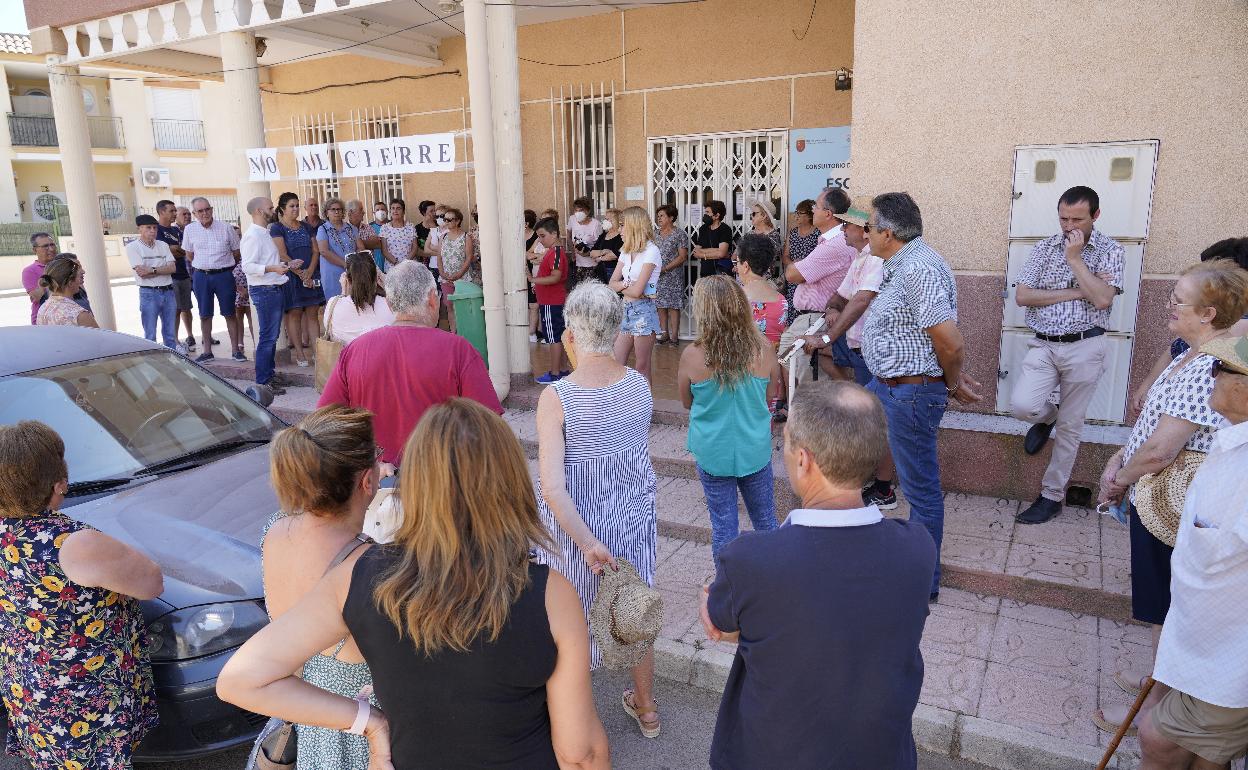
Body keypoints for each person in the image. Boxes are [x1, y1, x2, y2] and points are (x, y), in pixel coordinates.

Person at [218, 399, 611, 770]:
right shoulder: (551, 595)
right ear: (510, 481)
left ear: (416, 482)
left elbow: (242, 679)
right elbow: (580, 754)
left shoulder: (359, 576)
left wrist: (369, 721)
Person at [700, 382, 936, 770]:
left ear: (804, 461)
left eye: (785, 443)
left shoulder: (750, 560)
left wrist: (733, 622)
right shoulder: (918, 549)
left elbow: (720, 621)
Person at [1092, 260, 1248, 733]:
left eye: (1178, 300)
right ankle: (1155, 683)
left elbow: (1162, 450)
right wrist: (1121, 455)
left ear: (1208, 313)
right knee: (1163, 601)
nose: (1169, 305)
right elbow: (1151, 427)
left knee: (1166, 605)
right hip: (1159, 494)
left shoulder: (1206, 367)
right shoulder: (1191, 353)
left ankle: (1153, 709)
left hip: (1170, 503)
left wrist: (1118, 480)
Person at [0, 421, 164, 770]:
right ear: (58, 483)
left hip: (27, 682)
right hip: (81, 694)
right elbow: (152, 583)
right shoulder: (72, 543)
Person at [535, 281, 660, 737]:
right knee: (635, 607)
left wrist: (588, 543)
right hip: (631, 520)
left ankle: (579, 726)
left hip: (578, 530)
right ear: (617, 328)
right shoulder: (639, 387)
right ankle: (646, 708)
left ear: (570, 334)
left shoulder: (558, 398)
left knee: (571, 623)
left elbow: (553, 487)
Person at [862, 192, 983, 602]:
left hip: (910, 392)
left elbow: (950, 342)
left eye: (869, 226)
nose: (865, 233)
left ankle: (922, 583)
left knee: (921, 491)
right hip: (890, 386)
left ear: (888, 233)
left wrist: (950, 381)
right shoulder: (903, 264)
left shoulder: (919, 269)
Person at [1138, 335, 1248, 770]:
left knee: (1160, 741)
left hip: (1229, 660)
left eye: (1221, 368)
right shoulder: (1231, 440)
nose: (1212, 376)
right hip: (1202, 650)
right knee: (1195, 756)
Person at [260, 406, 380, 770]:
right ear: (367, 481)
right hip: (360, 731)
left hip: (304, 714)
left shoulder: (275, 529)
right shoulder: (368, 565)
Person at [1011, 186, 1125, 524]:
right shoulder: (1045, 247)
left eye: (1077, 219)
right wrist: (1079, 290)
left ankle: (1051, 496)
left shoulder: (1111, 250)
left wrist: (1075, 259)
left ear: (1095, 215)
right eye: (1063, 218)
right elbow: (1023, 296)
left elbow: (1102, 299)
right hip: (1044, 344)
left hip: (1086, 345)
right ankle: (1048, 417)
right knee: (1023, 405)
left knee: (1071, 427)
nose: (1069, 226)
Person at [318, 261, 502, 466]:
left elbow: (325, 423)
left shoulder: (355, 351)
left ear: (390, 304)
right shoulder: (458, 350)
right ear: (432, 299)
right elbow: (489, 428)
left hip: (378, 477)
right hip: (441, 475)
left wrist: (368, 464)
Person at [797, 196, 898, 509]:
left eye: (848, 225)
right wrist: (831, 309)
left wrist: (827, 336)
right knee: (862, 408)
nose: (842, 230)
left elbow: (861, 300)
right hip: (856, 345)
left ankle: (884, 489)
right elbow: (841, 297)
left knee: (877, 420)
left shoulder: (876, 260)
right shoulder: (859, 257)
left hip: (871, 350)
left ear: (864, 231)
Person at [678, 275, 780, 559]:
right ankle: (776, 576)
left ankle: (728, 583)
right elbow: (770, 396)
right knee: (766, 520)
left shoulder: (692, 355)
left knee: (723, 526)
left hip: (713, 450)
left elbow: (687, 402)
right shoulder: (763, 348)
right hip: (754, 447)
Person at [1129, 237, 1248, 417]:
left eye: (1212, 270)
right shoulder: (1199, 325)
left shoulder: (1234, 328)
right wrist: (1148, 385)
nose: (1202, 275)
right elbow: (1176, 348)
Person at [779, 187, 857, 387]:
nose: (812, 209)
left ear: (828, 214)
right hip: (814, 318)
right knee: (796, 367)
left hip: (817, 320)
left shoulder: (835, 244)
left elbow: (793, 274)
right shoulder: (831, 241)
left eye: (816, 206)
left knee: (813, 385)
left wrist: (797, 265)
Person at [241, 197, 301, 395]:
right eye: (270, 207)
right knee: (268, 337)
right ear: (259, 211)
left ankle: (269, 374)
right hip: (265, 290)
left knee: (271, 336)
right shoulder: (252, 235)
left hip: (273, 287)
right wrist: (274, 268)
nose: (273, 210)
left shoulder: (264, 232)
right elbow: (248, 266)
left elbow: (267, 262)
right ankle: (263, 381)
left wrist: (286, 265)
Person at [181, 196, 243, 362]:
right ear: (194, 213)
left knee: (230, 313)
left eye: (207, 209)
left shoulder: (226, 228)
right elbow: (189, 255)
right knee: (204, 314)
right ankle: (207, 351)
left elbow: (236, 253)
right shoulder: (189, 230)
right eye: (200, 211)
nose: (204, 213)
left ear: (212, 209)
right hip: (201, 276)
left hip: (224, 275)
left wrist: (225, 268)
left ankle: (236, 351)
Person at [609, 206, 663, 381]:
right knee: (616, 362)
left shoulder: (652, 251)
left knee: (642, 367)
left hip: (643, 312)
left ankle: (645, 400)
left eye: (622, 225)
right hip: (625, 309)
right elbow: (611, 284)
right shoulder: (626, 250)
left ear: (634, 225)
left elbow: (638, 291)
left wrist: (621, 286)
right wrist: (627, 285)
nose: (619, 230)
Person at [271, 192, 324, 368]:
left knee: (313, 314)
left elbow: (315, 250)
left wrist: (310, 272)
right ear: (282, 209)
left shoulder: (306, 226)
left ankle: (317, 354)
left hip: (310, 274)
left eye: (297, 205)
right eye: (291, 206)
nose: (295, 209)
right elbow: (282, 254)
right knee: (294, 313)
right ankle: (300, 354)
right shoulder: (277, 228)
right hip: (291, 277)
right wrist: (301, 274)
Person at [126, 213, 180, 351]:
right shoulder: (133, 247)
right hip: (149, 293)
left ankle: (171, 358)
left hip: (168, 292)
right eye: (148, 227)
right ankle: (152, 361)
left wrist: (152, 269)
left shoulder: (163, 245)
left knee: (170, 334)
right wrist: (162, 268)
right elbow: (142, 273)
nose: (152, 231)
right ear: (139, 229)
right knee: (150, 335)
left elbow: (173, 268)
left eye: (155, 228)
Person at [529, 217, 571, 384]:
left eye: (542, 236)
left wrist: (533, 280)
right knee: (558, 337)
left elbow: (555, 277)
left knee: (553, 338)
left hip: (552, 302)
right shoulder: (553, 252)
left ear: (554, 234)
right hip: (552, 301)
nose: (540, 240)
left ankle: (555, 373)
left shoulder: (555, 253)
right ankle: (562, 370)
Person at [326, 253, 395, 345]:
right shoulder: (391, 307)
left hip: (347, 354)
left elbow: (330, 331)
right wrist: (387, 287)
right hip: (382, 354)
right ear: (376, 279)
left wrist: (343, 293)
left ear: (347, 280)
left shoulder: (333, 305)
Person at [155, 199, 196, 349]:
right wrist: (175, 250)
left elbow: (184, 250)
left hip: (184, 275)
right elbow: (166, 252)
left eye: (175, 211)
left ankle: (186, 338)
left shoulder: (176, 231)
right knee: (174, 310)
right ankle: (174, 342)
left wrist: (176, 250)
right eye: (171, 211)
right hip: (170, 277)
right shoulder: (157, 230)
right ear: (162, 212)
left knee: (186, 308)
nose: (174, 213)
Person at [735, 234, 788, 345]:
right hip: (774, 355)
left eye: (737, 262)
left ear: (746, 266)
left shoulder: (735, 298)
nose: (736, 268)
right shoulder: (782, 300)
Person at [653, 204, 690, 345]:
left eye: (662, 216)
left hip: (673, 276)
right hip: (657, 276)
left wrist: (665, 269)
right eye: (658, 216)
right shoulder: (654, 234)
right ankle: (664, 334)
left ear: (671, 218)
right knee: (660, 305)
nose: (659, 218)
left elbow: (682, 257)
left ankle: (674, 337)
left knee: (673, 306)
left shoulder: (679, 234)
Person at [438, 207, 478, 333]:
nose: (447, 222)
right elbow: (439, 257)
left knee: (463, 306)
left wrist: (459, 274)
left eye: (450, 219)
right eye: (445, 219)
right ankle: (453, 333)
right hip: (446, 279)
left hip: (462, 278)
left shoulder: (466, 237)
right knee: (449, 306)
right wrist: (442, 273)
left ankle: (464, 332)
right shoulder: (443, 237)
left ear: (458, 221)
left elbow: (469, 258)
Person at [781, 199, 820, 325]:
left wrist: (805, 266)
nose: (796, 216)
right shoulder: (792, 233)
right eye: (796, 212)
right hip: (794, 280)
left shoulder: (818, 233)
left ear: (809, 216)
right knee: (792, 314)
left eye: (800, 213)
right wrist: (795, 266)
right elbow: (785, 256)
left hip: (810, 280)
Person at [317, 197, 364, 302]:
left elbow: (361, 247)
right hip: (333, 275)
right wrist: (345, 264)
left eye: (339, 209)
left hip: (353, 272)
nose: (336, 212)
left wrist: (355, 262)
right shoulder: (323, 229)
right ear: (326, 213)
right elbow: (324, 251)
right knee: (336, 304)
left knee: (354, 303)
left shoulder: (351, 228)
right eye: (333, 209)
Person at [36, 257, 98, 328]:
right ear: (70, 283)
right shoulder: (79, 315)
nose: (83, 272)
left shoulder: (43, 309)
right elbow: (99, 335)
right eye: (79, 277)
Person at [22, 232, 60, 324]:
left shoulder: (63, 265)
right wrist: (47, 277)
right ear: (35, 250)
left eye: (52, 245)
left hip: (66, 316)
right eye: (45, 246)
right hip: (44, 320)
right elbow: (36, 297)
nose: (51, 249)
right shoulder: (29, 271)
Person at [692, 200, 733, 278]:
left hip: (721, 273)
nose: (705, 214)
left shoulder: (725, 229)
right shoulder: (703, 229)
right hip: (705, 273)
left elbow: (721, 253)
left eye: (708, 212)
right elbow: (696, 252)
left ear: (717, 215)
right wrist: (717, 250)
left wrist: (702, 254)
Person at [569, 196, 603, 286]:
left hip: (592, 264)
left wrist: (588, 253)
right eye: (576, 210)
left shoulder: (596, 224)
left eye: (581, 210)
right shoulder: (572, 220)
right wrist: (573, 252)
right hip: (578, 264)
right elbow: (569, 237)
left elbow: (600, 245)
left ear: (588, 211)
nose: (578, 213)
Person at [379, 198, 418, 268]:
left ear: (403, 211)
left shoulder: (410, 226)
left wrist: (405, 263)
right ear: (390, 211)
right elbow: (384, 250)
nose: (395, 211)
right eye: (393, 208)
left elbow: (414, 247)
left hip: (409, 266)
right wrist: (397, 263)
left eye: (398, 208)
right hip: (392, 267)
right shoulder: (385, 228)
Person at [589, 208, 623, 286]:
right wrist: (604, 251)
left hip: (615, 272)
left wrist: (600, 258)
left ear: (616, 220)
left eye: (608, 219)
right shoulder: (603, 235)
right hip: (601, 271)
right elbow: (592, 253)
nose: (605, 221)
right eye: (605, 219)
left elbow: (615, 255)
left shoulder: (621, 236)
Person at [525, 209, 542, 341]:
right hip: (521, 272)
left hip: (534, 271)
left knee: (534, 304)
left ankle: (533, 332)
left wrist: (533, 257)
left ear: (527, 223)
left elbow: (537, 256)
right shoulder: (515, 234)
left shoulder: (536, 236)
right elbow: (527, 254)